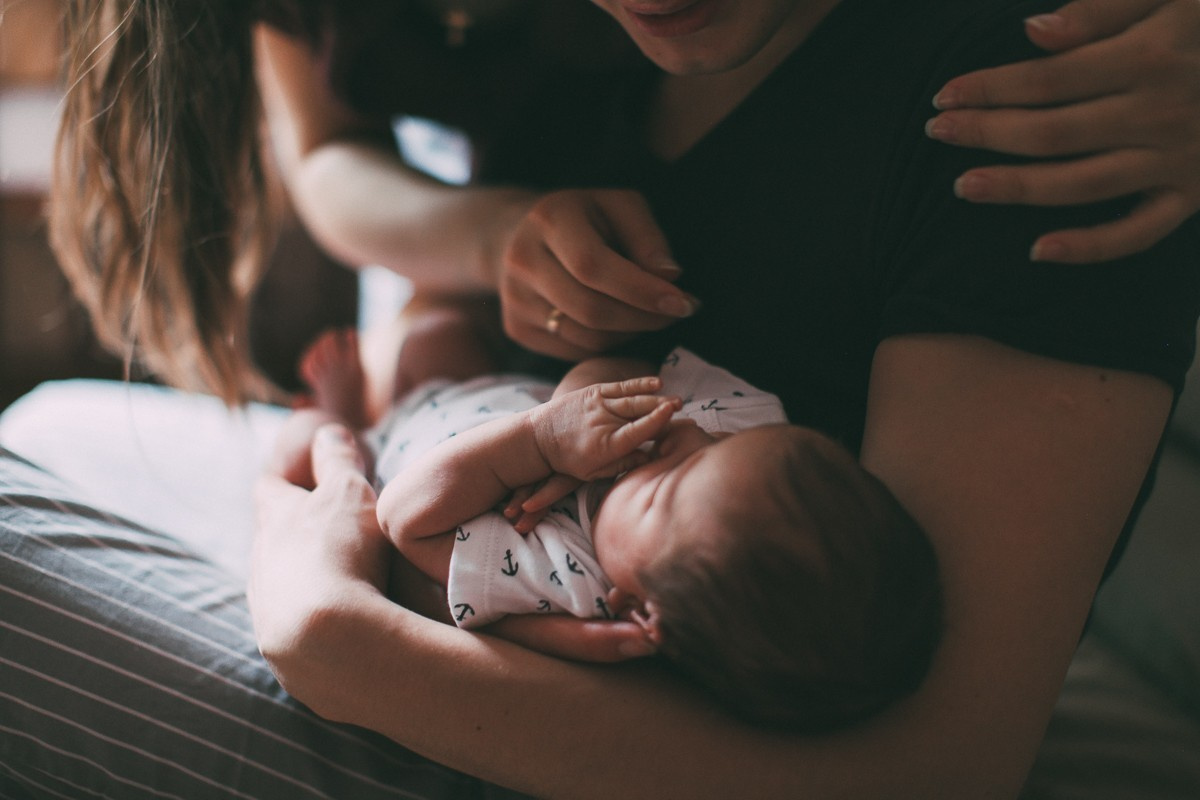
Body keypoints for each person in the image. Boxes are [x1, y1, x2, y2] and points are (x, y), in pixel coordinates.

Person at [1, 0, 1198, 797]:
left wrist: (337, 633)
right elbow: (337, 149)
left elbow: (939, 761)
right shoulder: (574, 47)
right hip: (448, 584)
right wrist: (480, 248)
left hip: (609, 742)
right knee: (50, 422)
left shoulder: (1043, 99)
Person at [272, 316, 941, 733]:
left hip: (403, 455)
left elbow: (405, 520)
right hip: (478, 390)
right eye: (717, 448)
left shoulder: (568, 579)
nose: (676, 446)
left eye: (657, 498)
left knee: (312, 441)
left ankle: (349, 418)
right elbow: (625, 373)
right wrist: (574, 409)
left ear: (635, 609)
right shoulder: (737, 428)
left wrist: (536, 443)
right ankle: (371, 400)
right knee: (437, 334)